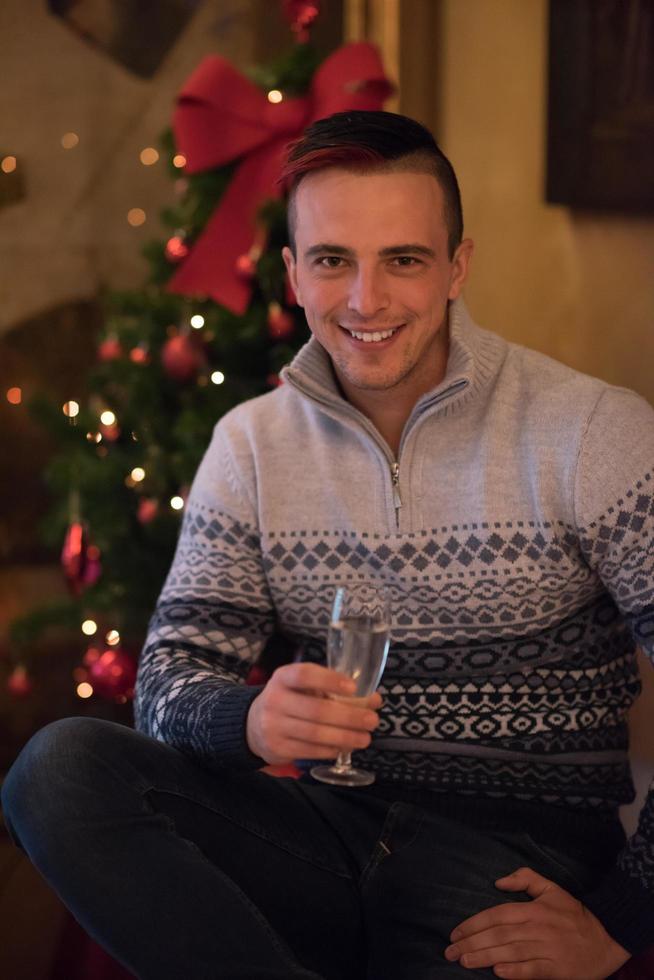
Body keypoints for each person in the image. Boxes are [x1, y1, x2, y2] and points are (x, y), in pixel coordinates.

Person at [2, 110, 653, 980]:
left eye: (404, 260)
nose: (365, 301)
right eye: (333, 260)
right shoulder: (251, 444)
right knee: (55, 771)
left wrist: (623, 918)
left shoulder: (591, 431)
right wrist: (254, 718)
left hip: (512, 863)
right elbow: (165, 681)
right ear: (293, 275)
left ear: (457, 267)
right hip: (319, 832)